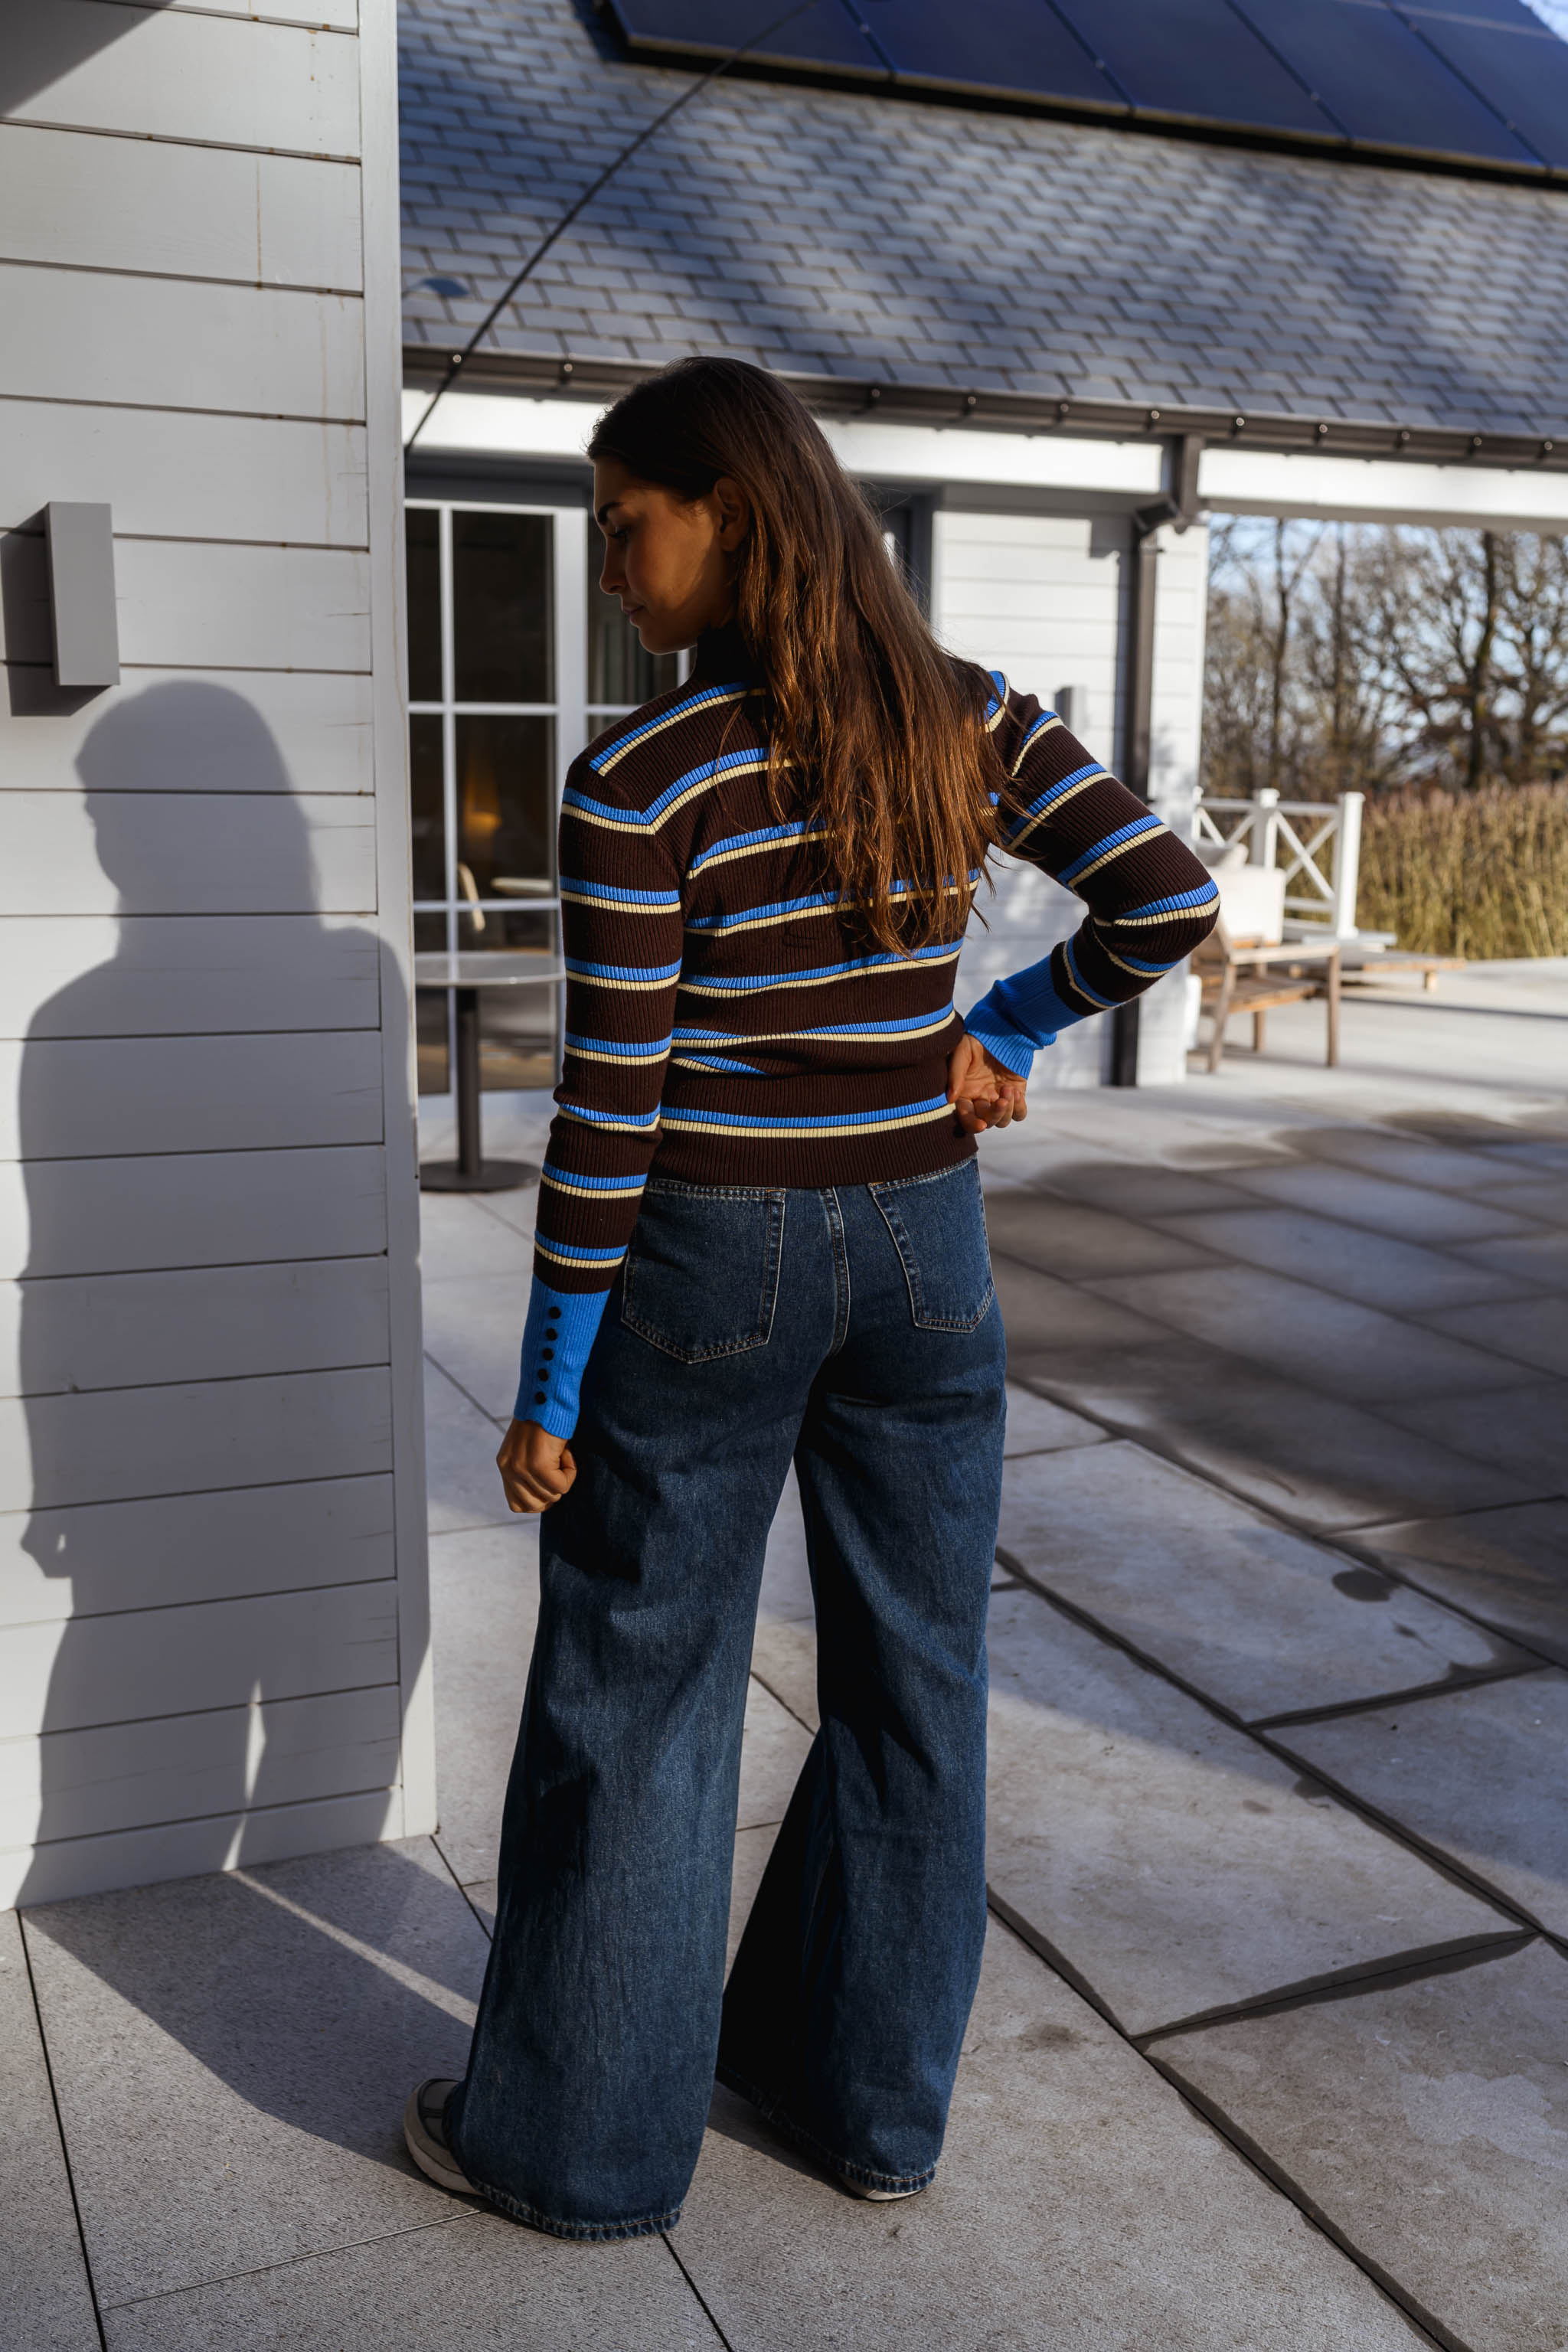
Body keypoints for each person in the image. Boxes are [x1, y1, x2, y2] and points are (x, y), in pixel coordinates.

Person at [403, 357, 1218, 2239]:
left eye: (627, 528)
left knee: (639, 1687)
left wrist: (549, 1386)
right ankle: (866, 2108)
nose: (613, 570)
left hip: (710, 1261)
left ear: (731, 515)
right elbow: (1166, 898)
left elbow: (606, 1115)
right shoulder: (971, 720)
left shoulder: (638, 778)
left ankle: (577, 2151)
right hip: (927, 1258)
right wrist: (993, 1026)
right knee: (919, 1676)